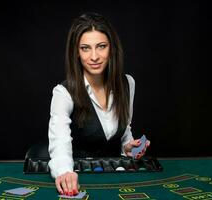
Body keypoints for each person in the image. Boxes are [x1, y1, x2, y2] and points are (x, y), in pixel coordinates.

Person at [47, 12, 150, 196]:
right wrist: (64, 172)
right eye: (85, 48)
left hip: (116, 181)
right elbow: (59, 139)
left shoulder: (128, 84)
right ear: (77, 53)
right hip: (80, 178)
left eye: (101, 46)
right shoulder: (63, 93)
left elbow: (124, 130)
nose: (94, 56)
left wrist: (127, 147)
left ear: (111, 49)